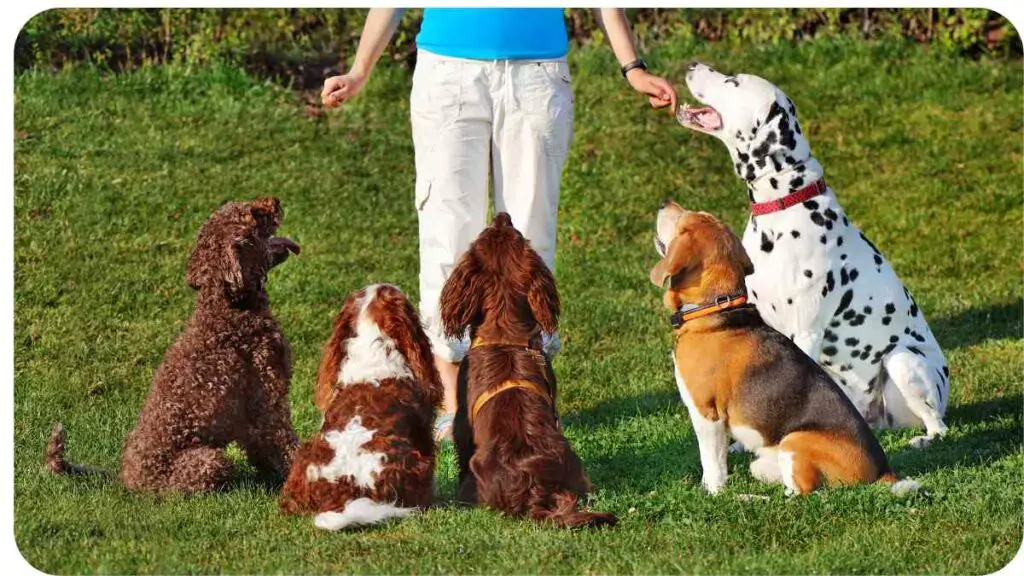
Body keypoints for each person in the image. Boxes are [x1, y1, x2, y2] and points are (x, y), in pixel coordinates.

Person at [321, 8, 678, 440]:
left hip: (537, 75)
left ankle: (532, 395)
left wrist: (633, 68)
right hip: (448, 73)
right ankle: (455, 405)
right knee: (446, 232)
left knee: (529, 243)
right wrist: (360, 69)